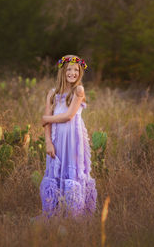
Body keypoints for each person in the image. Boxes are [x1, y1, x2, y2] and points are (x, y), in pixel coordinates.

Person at [39, 54, 97, 218]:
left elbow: (69, 116)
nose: (73, 73)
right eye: (69, 69)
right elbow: (47, 125)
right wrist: (48, 142)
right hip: (57, 139)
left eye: (76, 70)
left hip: (73, 140)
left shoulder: (78, 90)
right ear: (63, 72)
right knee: (55, 171)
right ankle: (53, 212)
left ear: (80, 73)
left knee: (72, 171)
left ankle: (74, 214)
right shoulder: (52, 93)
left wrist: (46, 119)